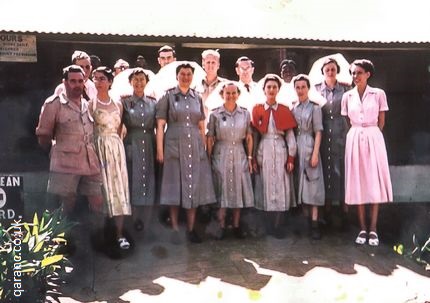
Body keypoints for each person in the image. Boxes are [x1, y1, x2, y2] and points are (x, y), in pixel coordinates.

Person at [35, 65, 104, 248]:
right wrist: (54, 152)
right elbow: (43, 135)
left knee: (97, 201)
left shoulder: (87, 103)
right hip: (65, 163)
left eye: (80, 81)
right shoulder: (54, 104)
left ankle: (96, 240)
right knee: (65, 205)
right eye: (73, 81)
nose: (77, 85)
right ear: (64, 82)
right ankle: (61, 243)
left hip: (90, 162)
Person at [156, 63, 216, 243]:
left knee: (193, 187)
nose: (185, 77)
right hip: (174, 143)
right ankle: (175, 229)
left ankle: (190, 229)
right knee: (174, 187)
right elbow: (160, 125)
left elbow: (201, 125)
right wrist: (160, 150)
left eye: (189, 74)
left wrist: (204, 147)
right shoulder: (168, 96)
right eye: (182, 74)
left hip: (194, 145)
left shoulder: (196, 97)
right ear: (177, 76)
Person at [341, 59, 393, 246]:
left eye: (359, 73)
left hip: (373, 137)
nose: (356, 76)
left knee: (373, 181)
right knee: (358, 181)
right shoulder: (347, 97)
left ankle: (374, 229)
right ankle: (362, 228)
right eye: (353, 73)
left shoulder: (378, 94)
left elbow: (382, 121)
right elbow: (348, 120)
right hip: (354, 137)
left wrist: (371, 134)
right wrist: (358, 132)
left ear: (368, 74)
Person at [89, 66, 131, 249]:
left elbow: (121, 127)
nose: (98, 82)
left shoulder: (118, 103)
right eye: (95, 78)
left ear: (110, 81)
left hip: (115, 148)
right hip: (99, 147)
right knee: (102, 191)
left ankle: (120, 234)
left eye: (102, 79)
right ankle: (103, 235)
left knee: (118, 189)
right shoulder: (90, 103)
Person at [251, 74, 297, 239]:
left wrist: (291, 157)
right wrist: (253, 157)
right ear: (264, 89)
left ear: (278, 89)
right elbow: (255, 135)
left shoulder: (284, 110)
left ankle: (279, 225)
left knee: (281, 185)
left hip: (280, 148)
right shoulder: (257, 109)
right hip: (264, 148)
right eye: (268, 87)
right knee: (265, 185)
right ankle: (268, 225)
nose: (271, 90)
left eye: (274, 87)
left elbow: (290, 136)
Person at [207, 82, 254, 239]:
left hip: (239, 152)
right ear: (222, 94)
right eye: (228, 93)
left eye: (234, 93)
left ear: (238, 94)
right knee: (223, 188)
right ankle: (221, 226)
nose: (231, 96)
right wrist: (210, 157)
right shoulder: (215, 114)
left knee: (238, 188)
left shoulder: (245, 114)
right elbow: (210, 137)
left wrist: (249, 157)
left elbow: (249, 137)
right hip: (222, 152)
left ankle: (236, 225)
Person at [314, 57, 351, 229]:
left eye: (333, 69)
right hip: (322, 130)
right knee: (326, 170)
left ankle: (344, 212)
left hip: (340, 131)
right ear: (323, 71)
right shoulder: (316, 89)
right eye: (327, 69)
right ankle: (326, 212)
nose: (330, 72)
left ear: (337, 71)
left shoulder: (345, 89)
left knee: (341, 170)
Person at [121, 68, 157, 234]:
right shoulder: (125, 102)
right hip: (132, 143)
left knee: (149, 183)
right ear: (130, 82)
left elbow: (159, 126)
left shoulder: (153, 103)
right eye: (135, 79)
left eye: (142, 79)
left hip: (149, 143)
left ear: (146, 82)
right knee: (133, 183)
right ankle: (134, 225)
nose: (139, 82)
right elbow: (118, 126)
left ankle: (147, 226)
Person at [292, 74, 325, 240]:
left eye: (303, 87)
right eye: (297, 87)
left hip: (310, 144)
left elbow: (318, 131)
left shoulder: (315, 108)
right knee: (300, 185)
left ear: (308, 88)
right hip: (296, 146)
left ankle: (314, 223)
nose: (300, 90)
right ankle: (304, 222)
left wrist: (315, 153)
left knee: (313, 185)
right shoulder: (293, 108)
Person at [199, 49, 228, 118]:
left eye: (213, 62)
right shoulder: (196, 84)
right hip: (199, 126)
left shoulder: (225, 85)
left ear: (218, 65)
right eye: (208, 62)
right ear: (203, 64)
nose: (210, 65)